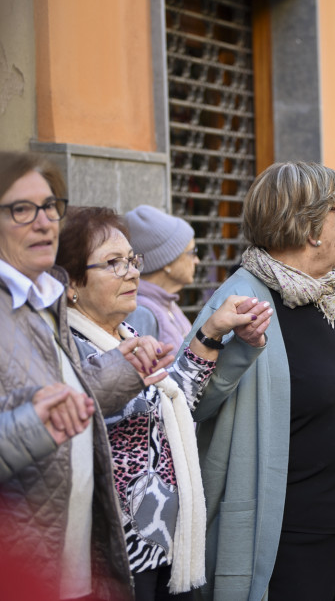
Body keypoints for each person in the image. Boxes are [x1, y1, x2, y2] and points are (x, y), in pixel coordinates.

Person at [190, 161, 335, 600]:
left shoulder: (322, 292)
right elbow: (193, 402)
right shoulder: (241, 299)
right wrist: (239, 350)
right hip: (289, 536)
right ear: (311, 226)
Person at [56, 206, 271, 599]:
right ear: (71, 282)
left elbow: (174, 403)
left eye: (131, 260)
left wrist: (212, 331)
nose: (133, 272)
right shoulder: (67, 350)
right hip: (113, 558)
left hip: (163, 547)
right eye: (113, 264)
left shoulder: (125, 334)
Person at [0, 151, 176, 600]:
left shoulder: (41, 300)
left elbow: (68, 397)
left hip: (74, 557)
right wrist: (34, 427)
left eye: (49, 206)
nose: (43, 222)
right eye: (21, 209)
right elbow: (36, 421)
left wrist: (124, 368)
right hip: (23, 566)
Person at [124, 205, 201, 352]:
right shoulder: (141, 312)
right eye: (192, 252)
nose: (197, 260)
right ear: (167, 262)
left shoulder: (168, 305)